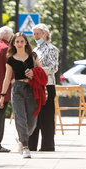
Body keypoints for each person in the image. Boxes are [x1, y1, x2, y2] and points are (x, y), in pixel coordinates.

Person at [0, 32, 41, 159]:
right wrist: (2, 95)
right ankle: (25, 147)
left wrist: (33, 74)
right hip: (17, 89)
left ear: (26, 42)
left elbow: (40, 72)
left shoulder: (33, 56)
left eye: (22, 41)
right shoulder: (10, 60)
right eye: (17, 41)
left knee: (32, 122)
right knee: (20, 118)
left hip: (31, 89)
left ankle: (21, 138)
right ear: (13, 43)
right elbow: (7, 79)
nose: (20, 44)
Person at [29, 23, 58, 152]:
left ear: (45, 34)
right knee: (34, 114)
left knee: (46, 116)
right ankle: (31, 144)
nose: (36, 36)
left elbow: (54, 67)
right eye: (34, 34)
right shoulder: (35, 49)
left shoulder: (51, 48)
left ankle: (47, 145)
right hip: (36, 84)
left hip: (47, 85)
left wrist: (37, 71)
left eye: (38, 34)